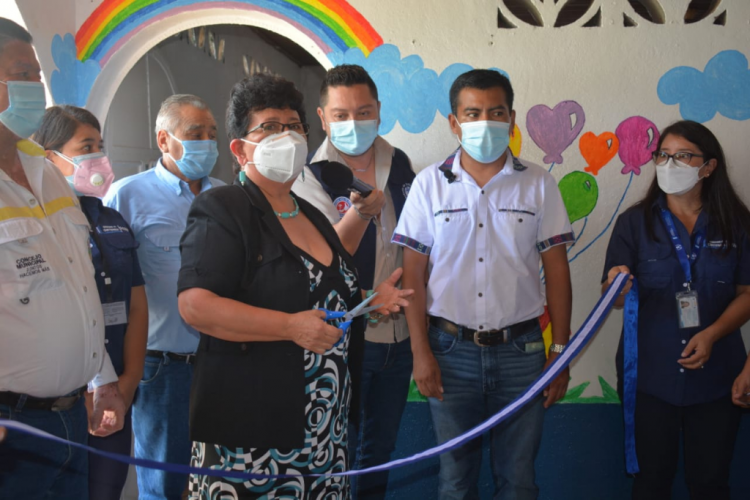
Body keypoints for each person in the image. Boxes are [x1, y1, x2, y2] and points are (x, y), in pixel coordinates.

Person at [177, 73, 413, 499]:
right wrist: (289, 327)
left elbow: (317, 291)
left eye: (293, 126)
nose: (285, 136)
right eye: (269, 126)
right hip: (254, 435)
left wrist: (366, 300)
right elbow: (197, 306)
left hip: (324, 432)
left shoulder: (310, 213)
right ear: (239, 148)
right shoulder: (224, 208)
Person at [394, 69, 574, 500]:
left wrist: (560, 351)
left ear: (511, 118)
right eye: (472, 113)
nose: (485, 122)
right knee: (455, 481)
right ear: (454, 122)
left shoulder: (539, 183)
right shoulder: (428, 185)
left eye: (496, 112)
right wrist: (420, 352)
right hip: (449, 353)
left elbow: (558, 272)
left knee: (519, 479)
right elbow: (412, 276)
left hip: (522, 354)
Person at [0, 18, 124, 499]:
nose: (36, 87)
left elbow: (78, 283)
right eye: (21, 75)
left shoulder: (47, 172)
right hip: (12, 426)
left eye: (37, 75)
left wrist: (103, 379)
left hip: (72, 415)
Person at [602, 120, 750, 500]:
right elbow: (613, 297)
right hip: (650, 377)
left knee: (710, 483)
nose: (670, 164)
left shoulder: (737, 223)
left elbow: (747, 294)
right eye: (663, 155)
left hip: (718, 376)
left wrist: (712, 333)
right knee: (650, 484)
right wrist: (616, 286)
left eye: (683, 156)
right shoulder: (634, 223)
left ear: (708, 167)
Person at [291, 64, 414, 499]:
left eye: (363, 112)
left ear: (378, 110)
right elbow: (324, 261)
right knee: (338, 450)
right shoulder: (307, 176)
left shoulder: (399, 163)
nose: (353, 123)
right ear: (322, 118)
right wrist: (361, 213)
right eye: (341, 115)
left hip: (398, 338)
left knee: (380, 452)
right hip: (344, 340)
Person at [103, 94, 224, 499]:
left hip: (224, 361)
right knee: (165, 486)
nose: (207, 143)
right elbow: (109, 286)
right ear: (163, 139)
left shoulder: (229, 197)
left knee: (221, 480)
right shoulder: (126, 196)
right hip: (163, 368)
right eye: (195, 134)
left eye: (212, 134)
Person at [35, 105, 148, 500]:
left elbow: (137, 307)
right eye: (86, 147)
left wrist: (127, 385)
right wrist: (82, 394)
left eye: (100, 145)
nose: (98, 156)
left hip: (116, 395)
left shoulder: (110, 219)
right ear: (50, 157)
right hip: (60, 401)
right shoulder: (36, 224)